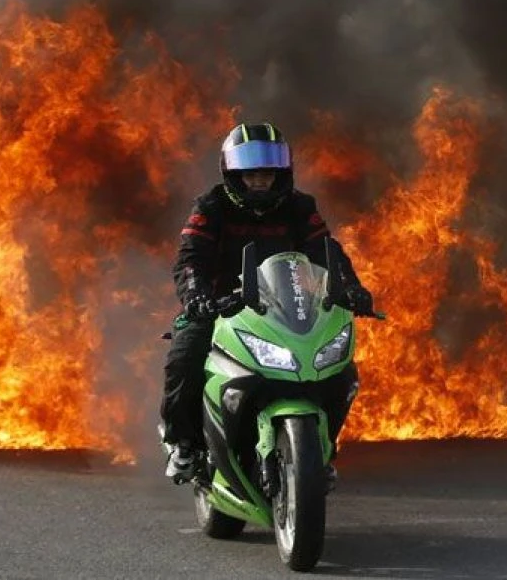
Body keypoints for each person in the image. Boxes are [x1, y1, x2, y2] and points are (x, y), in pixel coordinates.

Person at [160, 122, 375, 481]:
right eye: (251, 173)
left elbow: (327, 252)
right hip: (223, 307)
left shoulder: (300, 207)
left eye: (268, 173)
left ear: (282, 173)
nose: (260, 180)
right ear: (233, 173)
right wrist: (196, 296)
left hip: (287, 307)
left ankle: (321, 448)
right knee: (184, 357)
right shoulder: (210, 207)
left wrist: (351, 288)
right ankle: (184, 444)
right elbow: (190, 258)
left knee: (341, 372)